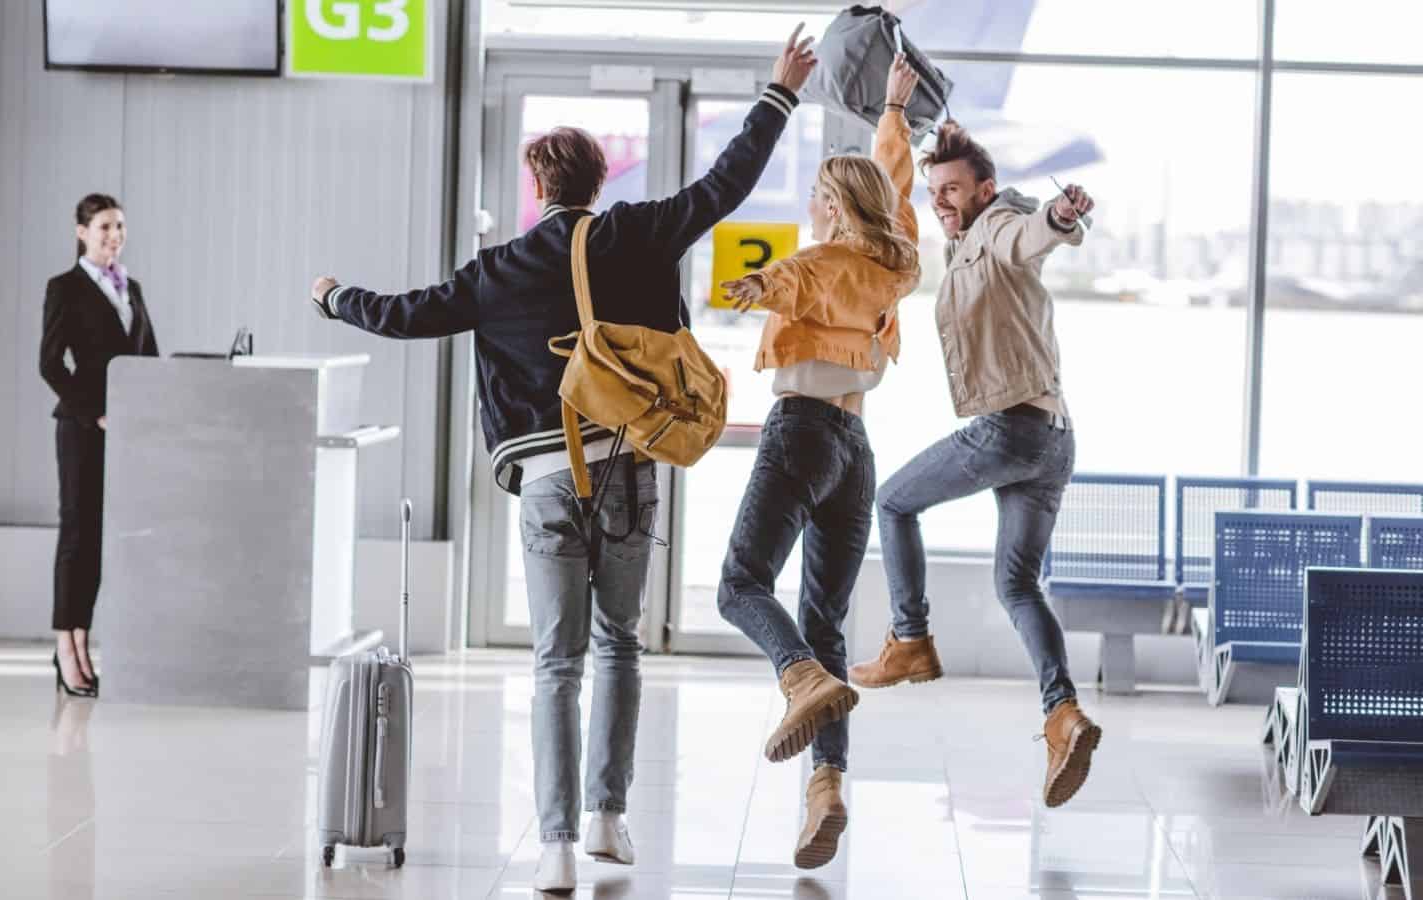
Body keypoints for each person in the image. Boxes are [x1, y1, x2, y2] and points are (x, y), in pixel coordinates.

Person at [306, 28, 816, 893]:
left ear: (538, 186)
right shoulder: (642, 233)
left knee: (555, 661)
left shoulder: (498, 269)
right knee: (620, 645)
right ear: (598, 179)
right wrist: (778, 93)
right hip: (628, 467)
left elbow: (399, 314)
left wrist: (331, 298)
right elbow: (727, 184)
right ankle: (608, 820)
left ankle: (553, 846)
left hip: (544, 478)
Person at [846, 120, 1101, 809]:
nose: (942, 200)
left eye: (954, 188)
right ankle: (1063, 713)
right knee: (1017, 585)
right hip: (1053, 437)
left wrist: (1061, 213)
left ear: (986, 190)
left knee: (895, 502)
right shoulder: (967, 240)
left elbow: (1032, 232)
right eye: (935, 191)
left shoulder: (1000, 227)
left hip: (1012, 430)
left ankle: (910, 639)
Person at [715, 55, 922, 870]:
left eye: (818, 198)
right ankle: (826, 786)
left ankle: (797, 676)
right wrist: (894, 113)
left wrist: (748, 285)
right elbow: (897, 186)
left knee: (740, 584)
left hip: (799, 433)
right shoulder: (893, 263)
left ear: (835, 205)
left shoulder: (819, 263)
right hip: (856, 449)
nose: (810, 207)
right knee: (827, 617)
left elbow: (773, 282)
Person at [38, 193, 160, 698]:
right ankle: (66, 647)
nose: (115, 236)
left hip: (125, 432)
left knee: (102, 539)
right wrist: (95, 412)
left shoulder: (131, 287)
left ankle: (83, 644)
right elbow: (50, 364)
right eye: (106, 227)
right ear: (81, 231)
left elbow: (147, 358)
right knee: (77, 537)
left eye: (121, 227)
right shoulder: (64, 288)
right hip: (83, 428)